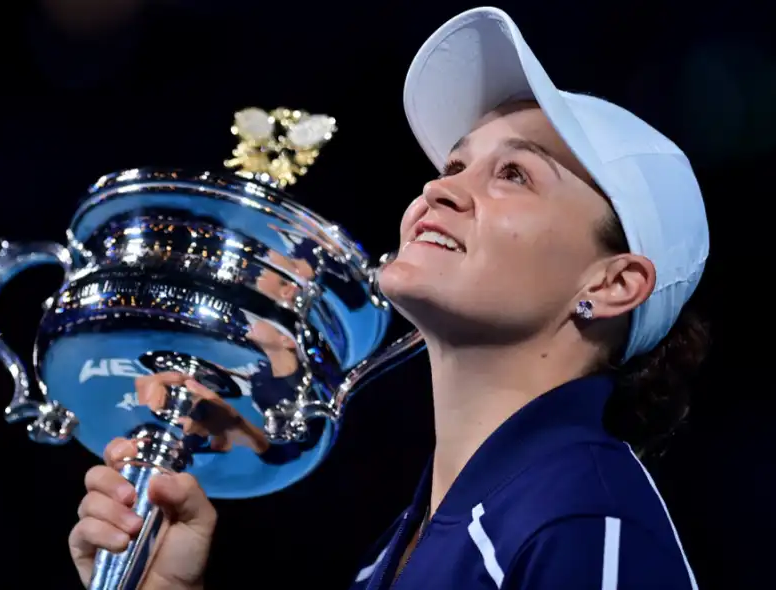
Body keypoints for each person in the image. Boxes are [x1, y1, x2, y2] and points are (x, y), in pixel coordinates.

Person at [67, 6, 709, 589]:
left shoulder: (584, 519)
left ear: (612, 283)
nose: (441, 191)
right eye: (454, 167)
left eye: (514, 174)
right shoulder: (413, 544)